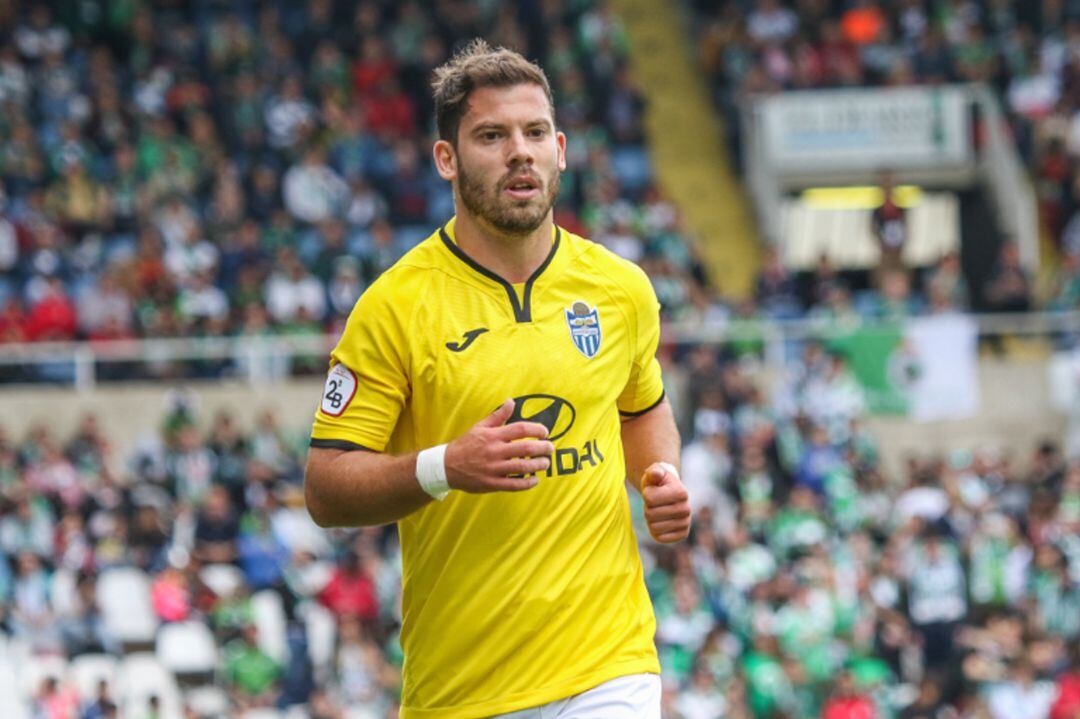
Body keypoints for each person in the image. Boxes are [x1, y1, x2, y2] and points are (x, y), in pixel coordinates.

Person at [304, 39, 691, 719]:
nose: (520, 152)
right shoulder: (395, 306)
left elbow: (641, 408)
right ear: (446, 159)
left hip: (609, 665)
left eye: (535, 133)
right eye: (492, 136)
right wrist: (445, 467)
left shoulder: (621, 288)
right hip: (462, 688)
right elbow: (325, 489)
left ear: (560, 150)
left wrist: (660, 475)